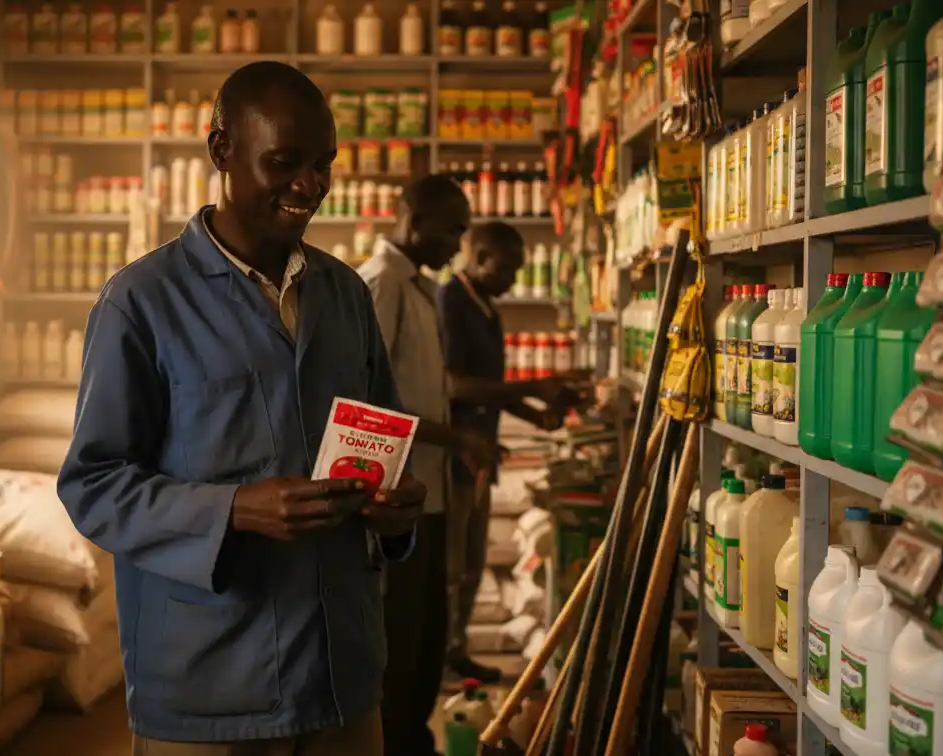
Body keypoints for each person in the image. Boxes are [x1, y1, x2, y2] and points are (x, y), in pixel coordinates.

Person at [56, 61, 427, 756]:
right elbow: (94, 486)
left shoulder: (345, 296)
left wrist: (397, 507)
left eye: (324, 164)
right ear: (222, 150)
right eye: (284, 162)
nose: (309, 186)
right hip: (210, 690)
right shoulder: (140, 302)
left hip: (340, 677)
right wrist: (232, 511)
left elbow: (385, 442)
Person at [355, 176, 496, 756]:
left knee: (426, 636)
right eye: (452, 229)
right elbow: (366, 404)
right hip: (396, 501)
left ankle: (414, 740)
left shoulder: (417, 287)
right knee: (399, 639)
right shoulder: (381, 283)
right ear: (413, 217)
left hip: (428, 492)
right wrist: (455, 435)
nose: (458, 244)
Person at [439, 221, 587, 684]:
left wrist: (533, 411)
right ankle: (439, 659)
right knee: (451, 565)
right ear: (481, 257)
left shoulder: (487, 308)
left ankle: (456, 650)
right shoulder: (451, 303)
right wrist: (535, 388)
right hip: (454, 452)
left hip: (482, 451)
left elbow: (493, 386)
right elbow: (454, 385)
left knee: (471, 563)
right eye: (508, 268)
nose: (515, 280)